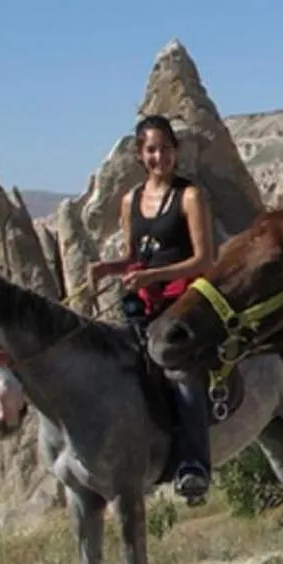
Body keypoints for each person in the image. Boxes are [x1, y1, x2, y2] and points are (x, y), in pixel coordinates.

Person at [92, 115, 216, 504]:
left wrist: (155, 275)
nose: (159, 156)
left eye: (165, 148)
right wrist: (109, 268)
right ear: (139, 154)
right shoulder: (130, 201)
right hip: (145, 300)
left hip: (184, 297)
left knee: (180, 369)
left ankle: (194, 463)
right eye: (151, 149)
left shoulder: (189, 196)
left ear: (175, 151)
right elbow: (135, 256)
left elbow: (203, 259)